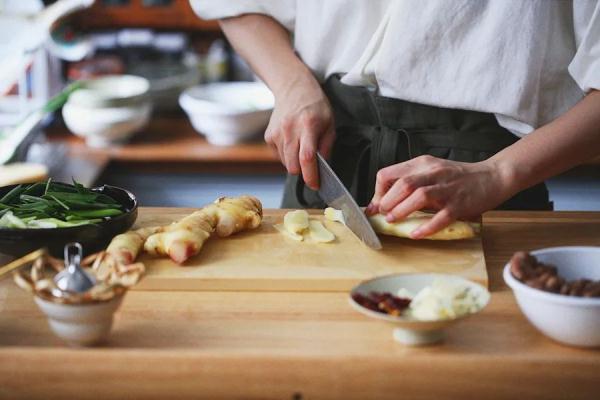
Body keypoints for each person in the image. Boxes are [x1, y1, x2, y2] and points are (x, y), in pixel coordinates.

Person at [192, 1, 600, 238]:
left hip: (489, 187)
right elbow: (236, 4)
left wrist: (496, 174)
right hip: (330, 156)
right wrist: (292, 85)